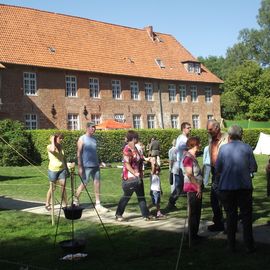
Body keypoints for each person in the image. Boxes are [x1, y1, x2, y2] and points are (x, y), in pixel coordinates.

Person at [216, 125, 257, 253]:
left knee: (230, 216)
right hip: (244, 187)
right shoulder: (247, 148)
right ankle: (248, 245)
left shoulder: (223, 149)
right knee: (246, 216)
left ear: (229, 135)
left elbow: (217, 169)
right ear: (241, 134)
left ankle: (231, 245)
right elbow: (254, 167)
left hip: (227, 187)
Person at [115, 130, 151, 221]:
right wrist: (134, 173)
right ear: (133, 138)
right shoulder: (127, 149)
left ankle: (145, 215)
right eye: (137, 138)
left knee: (141, 196)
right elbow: (126, 164)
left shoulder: (136, 148)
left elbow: (140, 159)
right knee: (126, 196)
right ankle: (118, 214)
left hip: (138, 177)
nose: (138, 139)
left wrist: (147, 159)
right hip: (130, 178)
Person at [75, 122, 108, 212]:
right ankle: (75, 200)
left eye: (94, 127)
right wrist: (80, 167)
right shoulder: (82, 139)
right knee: (84, 183)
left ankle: (98, 204)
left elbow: (94, 152)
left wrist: (100, 162)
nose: (94, 129)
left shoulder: (94, 139)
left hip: (95, 165)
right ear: (87, 128)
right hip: (86, 166)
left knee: (97, 183)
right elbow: (79, 153)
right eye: (92, 127)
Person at [207, 119, 229, 232]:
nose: (208, 131)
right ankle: (218, 223)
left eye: (210, 129)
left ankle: (230, 226)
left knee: (225, 198)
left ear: (217, 128)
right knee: (214, 198)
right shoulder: (211, 139)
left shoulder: (227, 138)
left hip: (224, 171)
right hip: (214, 170)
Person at [182, 136, 203, 242]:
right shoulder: (188, 157)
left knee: (197, 212)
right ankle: (191, 237)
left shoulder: (193, 156)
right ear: (195, 145)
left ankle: (194, 234)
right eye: (199, 143)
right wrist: (198, 186)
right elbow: (189, 174)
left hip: (196, 188)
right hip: (192, 188)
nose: (200, 145)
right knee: (193, 213)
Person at [167, 122, 191, 209]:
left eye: (190, 127)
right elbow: (187, 148)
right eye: (188, 128)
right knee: (183, 186)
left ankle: (171, 203)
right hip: (181, 166)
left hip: (180, 165)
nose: (190, 129)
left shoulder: (181, 138)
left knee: (179, 187)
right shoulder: (183, 139)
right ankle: (172, 202)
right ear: (183, 129)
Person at [45, 133, 68, 210]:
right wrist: (52, 141)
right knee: (53, 188)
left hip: (62, 169)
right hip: (53, 170)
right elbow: (53, 150)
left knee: (63, 187)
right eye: (60, 138)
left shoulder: (61, 147)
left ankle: (64, 204)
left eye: (62, 138)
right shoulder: (49, 146)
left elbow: (63, 158)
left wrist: (66, 169)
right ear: (55, 139)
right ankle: (47, 203)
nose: (61, 140)